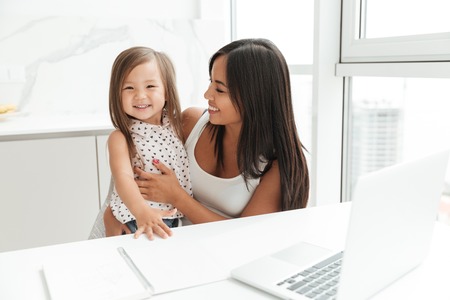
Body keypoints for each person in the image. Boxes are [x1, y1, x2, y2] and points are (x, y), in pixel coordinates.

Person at [101, 38, 309, 237]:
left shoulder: (277, 167)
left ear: (254, 96)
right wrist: (111, 215)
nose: (207, 94)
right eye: (211, 82)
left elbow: (247, 236)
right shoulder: (188, 123)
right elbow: (130, 175)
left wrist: (177, 197)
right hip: (165, 240)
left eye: (219, 89)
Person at [106, 46, 192, 240]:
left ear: (167, 91)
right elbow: (123, 179)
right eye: (129, 88)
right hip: (137, 221)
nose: (140, 95)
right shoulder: (121, 137)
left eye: (150, 86)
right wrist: (142, 212)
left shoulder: (176, 127)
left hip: (174, 220)